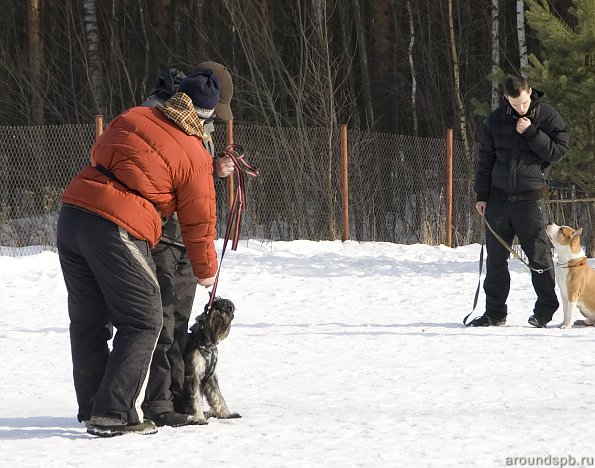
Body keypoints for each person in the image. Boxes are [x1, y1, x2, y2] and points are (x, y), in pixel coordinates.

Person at [56, 70, 221, 437]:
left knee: (89, 321)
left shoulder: (133, 115)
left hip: (72, 214)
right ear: (205, 117)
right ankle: (112, 413)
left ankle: (94, 407)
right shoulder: (194, 152)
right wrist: (206, 270)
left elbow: (99, 151)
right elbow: (199, 222)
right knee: (145, 319)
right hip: (116, 226)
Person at [141, 62, 235, 427]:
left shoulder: (200, 122)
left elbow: (189, 173)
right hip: (163, 235)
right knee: (163, 323)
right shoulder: (161, 114)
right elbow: (165, 172)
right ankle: (159, 403)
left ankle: (182, 397)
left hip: (184, 238)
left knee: (180, 323)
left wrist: (214, 167)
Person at [469, 74, 569, 328]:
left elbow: (558, 152)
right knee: (495, 261)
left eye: (524, 103)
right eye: (515, 105)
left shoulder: (546, 116)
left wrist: (532, 132)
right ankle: (494, 313)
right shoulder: (495, 120)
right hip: (498, 199)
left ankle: (545, 311)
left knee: (539, 257)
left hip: (529, 199)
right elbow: (485, 160)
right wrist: (482, 195)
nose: (520, 108)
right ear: (506, 99)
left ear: (530, 92)